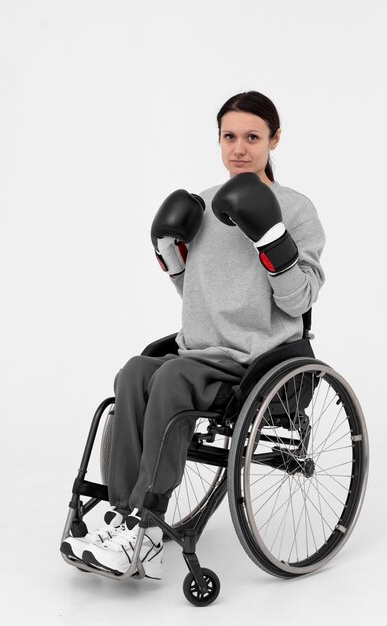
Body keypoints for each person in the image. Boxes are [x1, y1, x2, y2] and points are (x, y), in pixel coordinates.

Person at [61, 90, 326, 580]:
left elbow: (300, 300)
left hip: (258, 357)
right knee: (136, 370)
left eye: (252, 136)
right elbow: (195, 293)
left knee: (171, 379)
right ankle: (124, 517)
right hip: (199, 348)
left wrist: (270, 237)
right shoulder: (202, 205)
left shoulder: (295, 208)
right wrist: (170, 253)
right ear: (219, 140)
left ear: (275, 139)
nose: (239, 148)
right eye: (230, 136)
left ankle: (147, 520)